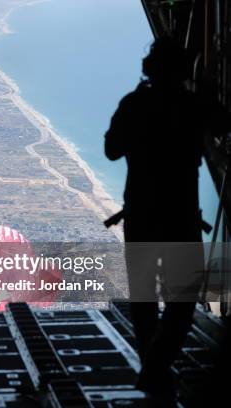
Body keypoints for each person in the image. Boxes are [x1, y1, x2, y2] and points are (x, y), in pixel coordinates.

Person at [104, 37, 226, 405]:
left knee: (142, 301)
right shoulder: (192, 105)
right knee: (182, 303)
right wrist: (204, 93)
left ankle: (152, 370)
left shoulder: (134, 104)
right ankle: (155, 368)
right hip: (180, 218)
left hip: (141, 217)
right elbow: (223, 123)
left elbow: (111, 151)